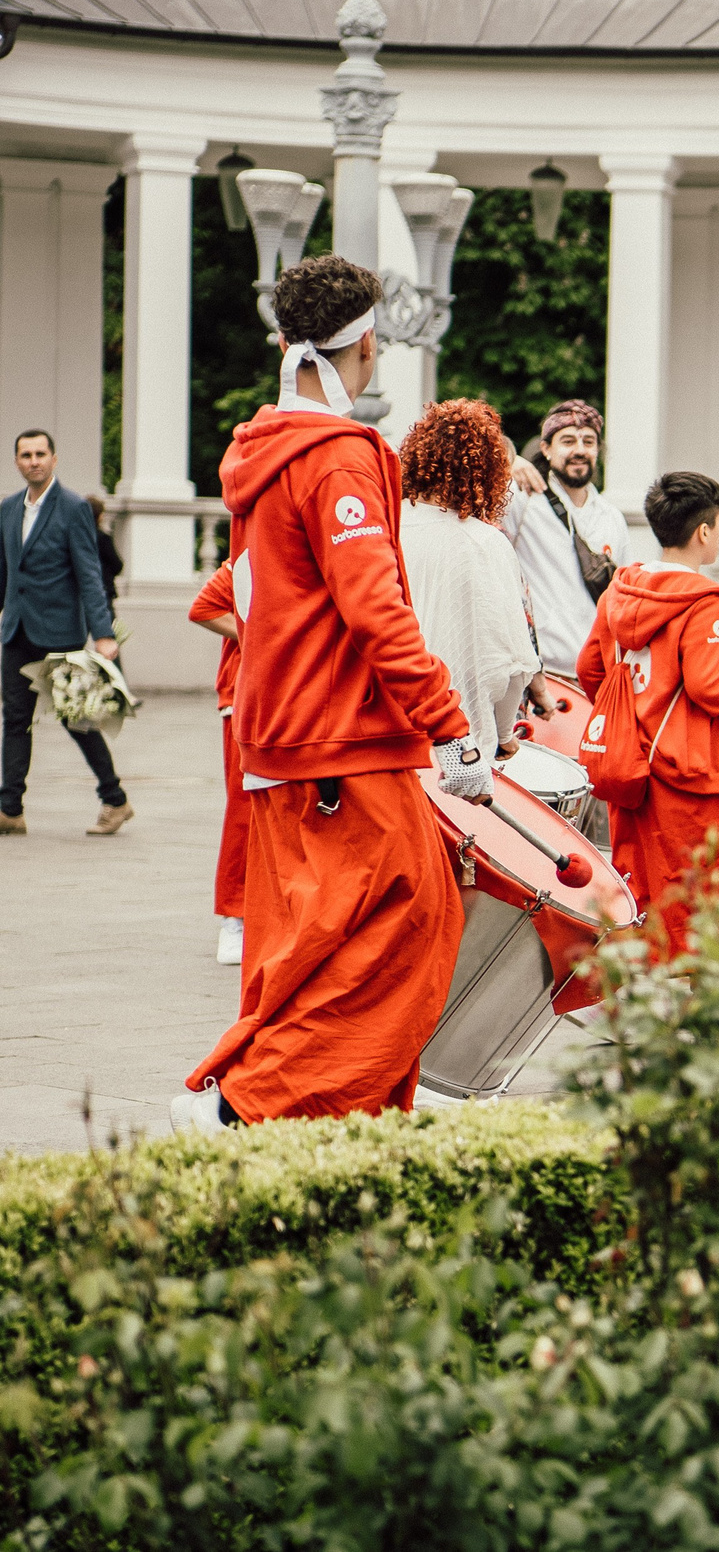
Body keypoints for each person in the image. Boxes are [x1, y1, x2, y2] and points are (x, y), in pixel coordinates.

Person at [174, 254, 487, 1131]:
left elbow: (238, 596)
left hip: (280, 743)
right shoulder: (341, 457)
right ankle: (243, 1105)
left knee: (305, 952)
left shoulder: (260, 451)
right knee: (417, 929)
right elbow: (376, 607)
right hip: (340, 741)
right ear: (369, 346)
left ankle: (324, 1130)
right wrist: (451, 727)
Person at [577, 470, 719, 965]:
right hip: (695, 773)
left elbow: (590, 668)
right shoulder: (704, 601)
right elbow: (709, 688)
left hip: (632, 769)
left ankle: (649, 1009)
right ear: (703, 531)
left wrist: (626, 721)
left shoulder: (620, 589)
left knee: (648, 894)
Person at [399, 401, 542, 769]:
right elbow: (510, 663)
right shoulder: (486, 542)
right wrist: (505, 734)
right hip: (462, 746)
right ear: (488, 471)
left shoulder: (385, 526)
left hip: (390, 736)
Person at [1, 429, 128, 837]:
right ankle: (10, 810)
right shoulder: (6, 510)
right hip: (17, 631)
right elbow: (5, 573)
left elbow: (90, 574)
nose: (33, 460)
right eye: (26, 455)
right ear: (17, 462)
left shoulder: (73, 508)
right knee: (15, 720)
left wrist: (103, 633)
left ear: (54, 459)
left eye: (41, 453)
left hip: (60, 635)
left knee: (78, 721)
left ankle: (116, 801)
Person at [504, 400, 637, 677]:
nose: (579, 450)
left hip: (595, 677)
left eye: (588, 441)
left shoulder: (612, 517)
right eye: (568, 441)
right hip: (539, 673)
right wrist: (507, 459)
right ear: (546, 449)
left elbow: (622, 601)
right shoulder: (523, 499)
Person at [187, 560, 248, 966]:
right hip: (246, 696)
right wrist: (261, 636)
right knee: (245, 810)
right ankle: (235, 918)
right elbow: (204, 607)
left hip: (288, 695)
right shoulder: (252, 551)